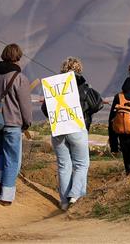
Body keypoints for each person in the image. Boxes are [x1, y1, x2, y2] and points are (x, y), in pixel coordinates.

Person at [40, 57, 96, 210]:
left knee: (64, 166)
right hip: (77, 127)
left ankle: (64, 202)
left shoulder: (54, 86)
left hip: (58, 129)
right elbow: (97, 102)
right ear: (79, 70)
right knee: (82, 164)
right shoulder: (83, 86)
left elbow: (45, 108)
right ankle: (76, 196)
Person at [0, 43, 32, 205]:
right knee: (12, 159)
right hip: (13, 124)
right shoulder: (20, 79)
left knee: (2, 154)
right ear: (18, 58)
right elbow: (25, 106)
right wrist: (27, 123)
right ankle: (6, 196)